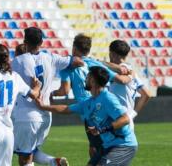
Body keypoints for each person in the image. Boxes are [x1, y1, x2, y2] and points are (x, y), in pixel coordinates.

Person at [51, 34, 133, 164]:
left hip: (89, 111)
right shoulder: (95, 63)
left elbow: (64, 91)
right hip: (104, 107)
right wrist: (130, 75)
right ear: (88, 50)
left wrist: (52, 93)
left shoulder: (69, 65)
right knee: (100, 146)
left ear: (74, 48)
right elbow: (121, 80)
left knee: (98, 149)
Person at [36, 66, 138, 166]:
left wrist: (103, 129)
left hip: (124, 145)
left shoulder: (108, 98)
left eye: (88, 77)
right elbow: (66, 109)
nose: (85, 79)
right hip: (108, 146)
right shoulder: (89, 102)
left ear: (93, 80)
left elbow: (125, 119)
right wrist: (43, 106)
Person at [12, 27, 83, 166]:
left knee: (24, 158)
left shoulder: (17, 62)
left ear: (25, 41)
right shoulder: (50, 57)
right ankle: (53, 162)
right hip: (45, 115)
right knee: (31, 151)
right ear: (42, 42)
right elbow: (78, 62)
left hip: (27, 115)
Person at [108, 40, 150, 130]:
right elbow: (146, 94)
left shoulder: (124, 70)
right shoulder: (131, 71)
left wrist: (100, 62)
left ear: (112, 53)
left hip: (117, 119)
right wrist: (132, 114)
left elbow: (146, 94)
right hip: (126, 120)